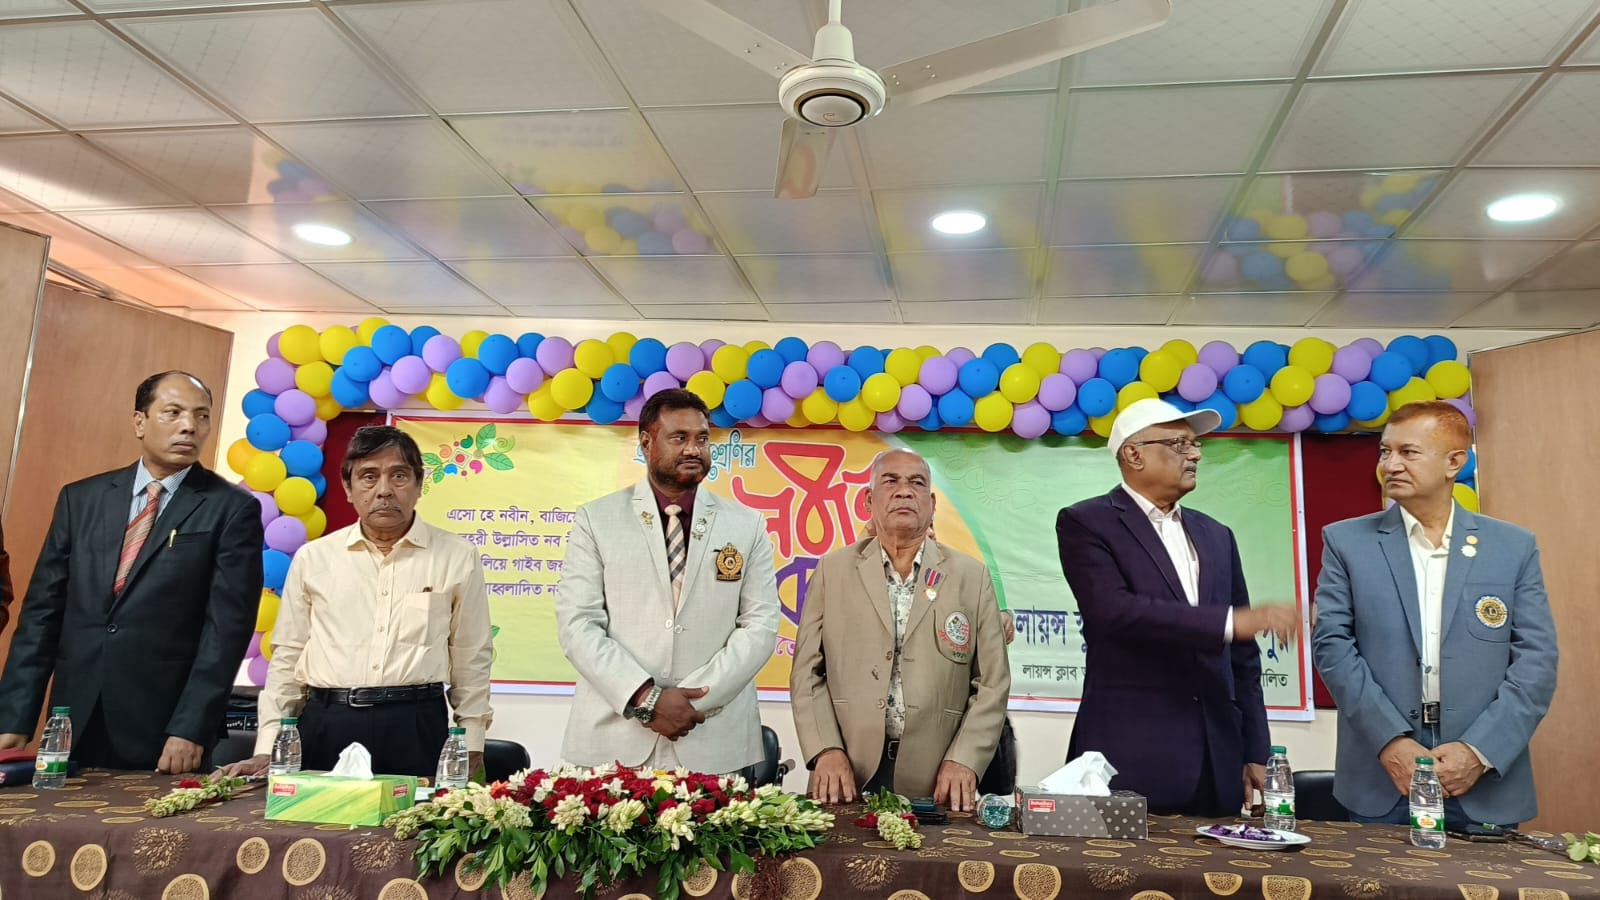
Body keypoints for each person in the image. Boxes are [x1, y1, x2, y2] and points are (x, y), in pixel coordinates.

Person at [0, 372, 262, 773]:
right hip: (73, 718)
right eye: (173, 412)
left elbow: (226, 631)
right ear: (140, 421)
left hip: (164, 728)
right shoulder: (80, 499)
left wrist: (191, 727)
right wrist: (14, 717)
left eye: (201, 416)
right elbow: (42, 614)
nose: (189, 426)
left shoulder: (231, 508)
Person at [1312, 401, 1557, 829]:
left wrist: (1478, 751)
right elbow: (1333, 647)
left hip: (1484, 781)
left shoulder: (1512, 547)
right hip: (1383, 777)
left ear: (1454, 462)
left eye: (1408, 452)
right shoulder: (1346, 542)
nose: (1390, 464)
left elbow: (1537, 660)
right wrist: (1390, 741)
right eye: (1385, 451)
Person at [1055, 398, 1298, 816]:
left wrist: (1255, 749)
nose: (1196, 454)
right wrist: (1228, 622)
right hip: (1130, 756)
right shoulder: (1087, 522)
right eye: (1179, 444)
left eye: (1195, 444)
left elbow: (1243, 658)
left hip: (1218, 761)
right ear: (1134, 454)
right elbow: (1113, 611)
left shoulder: (1217, 535)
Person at [223, 426, 494, 779]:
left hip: (415, 726)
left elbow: (471, 655)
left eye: (399, 476)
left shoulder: (457, 556)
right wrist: (268, 746)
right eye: (369, 476)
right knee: (316, 817)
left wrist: (472, 742)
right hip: (326, 723)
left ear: (419, 485)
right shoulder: (314, 558)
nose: (384, 490)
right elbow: (289, 655)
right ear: (348, 489)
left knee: (415, 817)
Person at [557, 389, 780, 775]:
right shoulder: (597, 520)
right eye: (679, 438)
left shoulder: (746, 524)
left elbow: (760, 626)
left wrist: (692, 701)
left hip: (712, 737)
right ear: (647, 442)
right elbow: (578, 624)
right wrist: (646, 697)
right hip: (614, 739)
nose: (693, 449)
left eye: (702, 438)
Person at [791, 447, 1010, 812]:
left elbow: (992, 682)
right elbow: (806, 673)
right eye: (890, 481)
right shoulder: (833, 571)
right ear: (868, 500)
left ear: (932, 504)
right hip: (846, 772)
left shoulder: (971, 576)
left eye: (917, 483)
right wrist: (826, 749)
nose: (904, 491)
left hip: (939, 777)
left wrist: (965, 758)